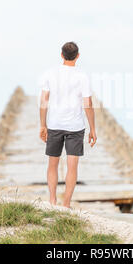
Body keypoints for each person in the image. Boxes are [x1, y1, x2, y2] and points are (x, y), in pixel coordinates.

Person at [39, 41, 97, 208]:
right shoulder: (82, 76)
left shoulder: (50, 73)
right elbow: (88, 104)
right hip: (76, 126)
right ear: (78, 56)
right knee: (72, 166)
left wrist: (42, 125)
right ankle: (66, 204)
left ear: (61, 55)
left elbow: (44, 101)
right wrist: (93, 128)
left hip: (54, 124)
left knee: (53, 163)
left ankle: (52, 200)